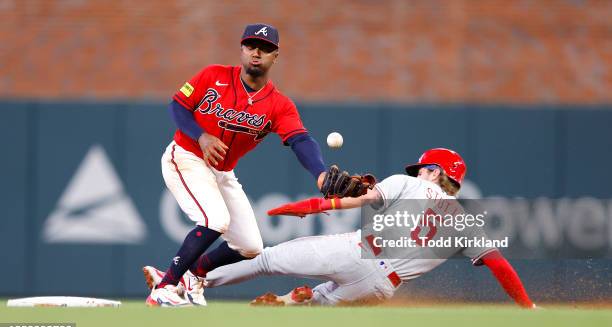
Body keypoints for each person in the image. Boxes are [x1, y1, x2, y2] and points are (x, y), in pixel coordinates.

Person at [196, 148, 535, 307]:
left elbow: (351, 202)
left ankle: (192, 283)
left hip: (360, 253)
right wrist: (527, 306)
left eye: (423, 168)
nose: (418, 172)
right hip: (380, 289)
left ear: (434, 171)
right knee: (314, 309)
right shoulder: (466, 220)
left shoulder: (409, 183)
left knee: (266, 261)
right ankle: (295, 300)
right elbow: (498, 264)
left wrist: (307, 207)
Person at [145, 23, 332, 307]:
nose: (257, 52)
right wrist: (201, 136)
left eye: (265, 48)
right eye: (251, 46)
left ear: (275, 56)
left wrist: (320, 174)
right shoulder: (213, 75)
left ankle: (193, 276)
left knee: (250, 246)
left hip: (222, 171)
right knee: (215, 220)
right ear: (242, 50)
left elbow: (301, 140)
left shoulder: (279, 105)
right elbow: (178, 106)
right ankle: (166, 287)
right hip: (186, 156)